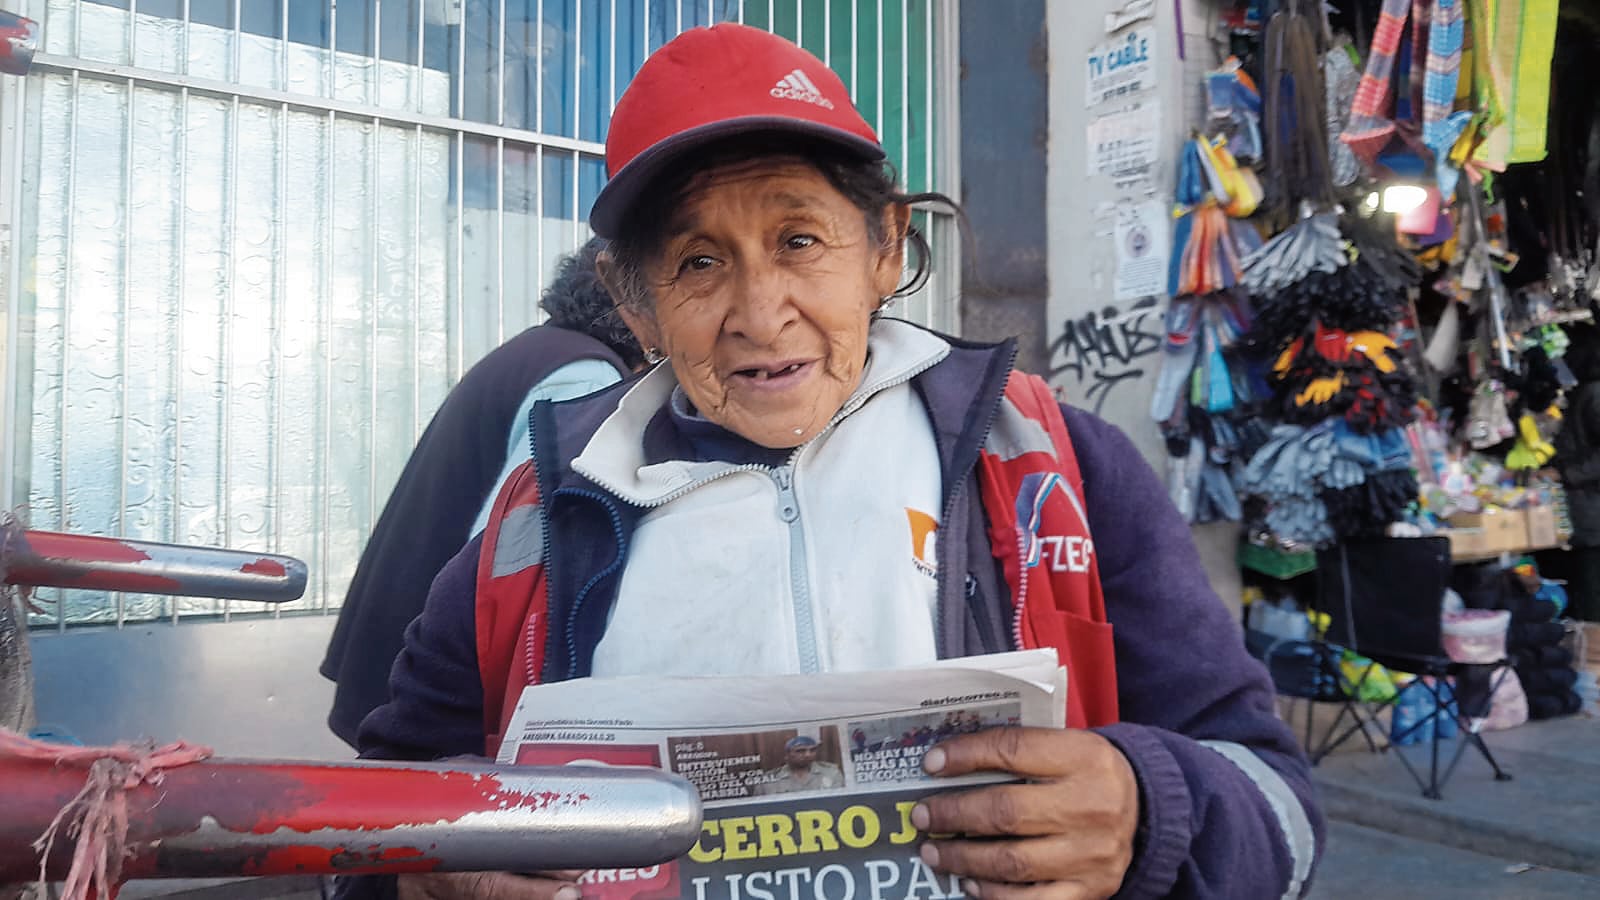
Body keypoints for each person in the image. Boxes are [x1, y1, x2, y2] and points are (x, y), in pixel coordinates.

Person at [349, 23, 1321, 900]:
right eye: (698, 262)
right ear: (634, 302)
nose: (761, 313)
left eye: (799, 239)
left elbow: (1279, 808)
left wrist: (1147, 812)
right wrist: (438, 869)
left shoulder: (1053, 471)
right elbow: (368, 826)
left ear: (884, 247)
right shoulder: (549, 512)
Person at [319, 238, 641, 747]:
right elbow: (511, 548)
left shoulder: (535, 350)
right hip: (436, 687)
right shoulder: (587, 377)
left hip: (404, 652)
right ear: (634, 307)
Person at [1555, 322, 1600, 621]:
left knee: (1591, 588)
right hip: (1586, 510)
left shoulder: (1594, 394)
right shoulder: (1584, 393)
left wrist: (1567, 474)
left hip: (1592, 512)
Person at [753, 735, 843, 795]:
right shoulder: (768, 781)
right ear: (787, 755)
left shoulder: (831, 773)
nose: (808, 755)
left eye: (812, 750)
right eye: (800, 751)